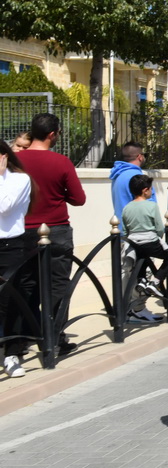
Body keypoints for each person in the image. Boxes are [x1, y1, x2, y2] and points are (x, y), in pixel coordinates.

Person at [17, 113, 86, 357]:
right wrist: (59, 194)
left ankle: (23, 337)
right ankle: (54, 337)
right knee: (58, 285)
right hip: (56, 229)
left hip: (21, 231)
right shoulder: (61, 162)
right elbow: (79, 199)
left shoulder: (15, 160)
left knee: (25, 285)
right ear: (52, 134)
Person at [1, 139, 33, 378]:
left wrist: (1, 175)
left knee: (10, 301)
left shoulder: (19, 179)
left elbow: (4, 206)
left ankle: (11, 354)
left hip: (10, 246)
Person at [120, 173, 168, 323]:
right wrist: (157, 239)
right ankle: (155, 282)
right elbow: (159, 228)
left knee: (140, 266)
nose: (152, 192)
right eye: (150, 189)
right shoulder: (151, 205)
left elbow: (125, 231)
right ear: (145, 190)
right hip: (150, 242)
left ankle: (143, 283)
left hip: (133, 244)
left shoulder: (127, 208)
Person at [110, 142, 155, 232]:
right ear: (140, 157)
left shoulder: (117, 175)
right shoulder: (138, 177)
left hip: (120, 230)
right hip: (139, 233)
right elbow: (149, 206)